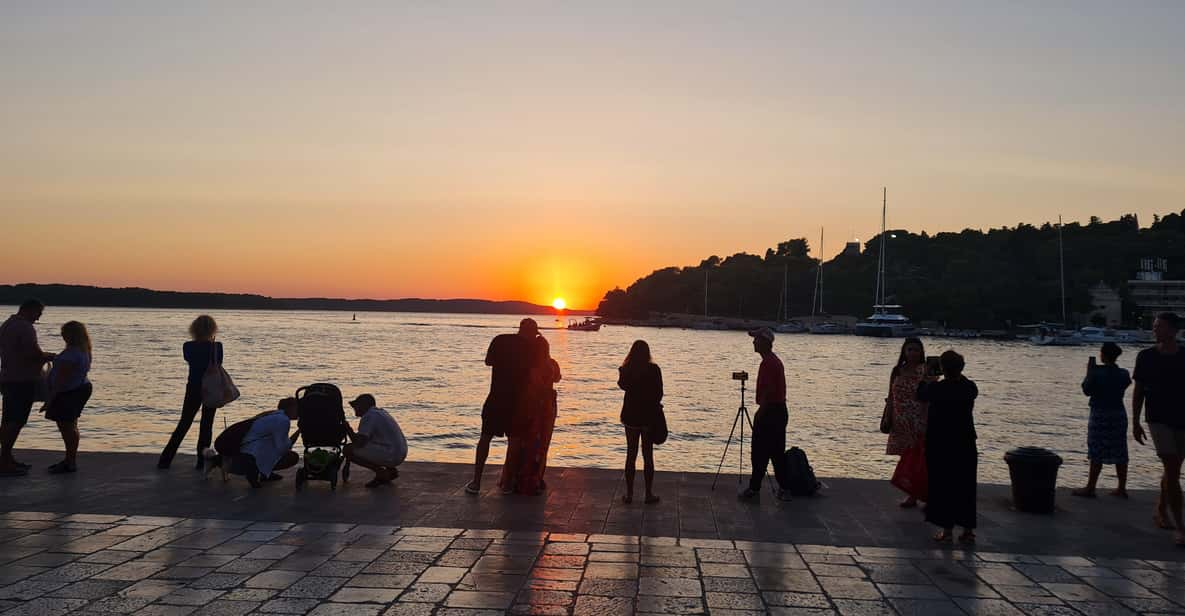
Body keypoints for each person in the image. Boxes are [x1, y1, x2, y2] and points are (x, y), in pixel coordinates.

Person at [467, 318, 537, 494]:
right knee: (513, 441)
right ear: (532, 333)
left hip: (496, 397)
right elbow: (535, 373)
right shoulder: (531, 348)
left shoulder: (500, 339)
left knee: (485, 438)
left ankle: (476, 482)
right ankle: (507, 484)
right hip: (517, 401)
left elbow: (488, 362)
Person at [1132, 312, 1185, 546]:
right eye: (1154, 326)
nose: (1155, 330)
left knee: (1173, 468)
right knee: (1172, 466)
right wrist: (1134, 420)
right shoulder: (1145, 357)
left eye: (1160, 326)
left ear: (1174, 330)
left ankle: (1161, 510)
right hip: (1157, 418)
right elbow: (1138, 390)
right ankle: (1181, 527)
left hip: (1183, 418)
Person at [918, 350, 978, 544]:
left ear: (943, 368)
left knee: (943, 486)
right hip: (965, 442)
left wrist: (927, 376)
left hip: (940, 442)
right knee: (966, 486)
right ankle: (968, 530)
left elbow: (920, 394)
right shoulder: (969, 387)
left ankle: (947, 530)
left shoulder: (936, 389)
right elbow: (967, 385)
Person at [158, 315, 223, 470]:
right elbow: (218, 363)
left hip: (193, 387)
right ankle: (202, 462)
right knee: (206, 425)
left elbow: (190, 360)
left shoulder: (188, 346)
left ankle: (165, 460)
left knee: (184, 423)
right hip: (210, 388)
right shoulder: (217, 347)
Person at [500, 336, 561, 495]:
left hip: (530, 404)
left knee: (524, 442)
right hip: (547, 406)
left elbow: (531, 383)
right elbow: (558, 378)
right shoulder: (552, 363)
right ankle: (536, 479)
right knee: (543, 444)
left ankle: (516, 478)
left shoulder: (530, 365)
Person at [0, 299, 54, 476]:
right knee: (16, 421)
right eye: (38, 314)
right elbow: (33, 353)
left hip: (8, 377)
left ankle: (6, 458)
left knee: (8, 419)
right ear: (29, 310)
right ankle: (4, 461)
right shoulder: (25, 328)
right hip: (22, 380)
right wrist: (49, 356)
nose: (38, 319)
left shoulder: (7, 325)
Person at [1073, 342, 1132, 499]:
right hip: (1119, 413)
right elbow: (1125, 383)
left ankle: (1091, 487)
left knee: (1096, 449)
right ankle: (1121, 488)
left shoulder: (1096, 373)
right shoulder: (1124, 374)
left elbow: (1087, 390)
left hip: (1100, 413)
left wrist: (1089, 372)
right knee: (1120, 449)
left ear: (1103, 355)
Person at [740, 327, 792, 501]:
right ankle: (783, 488)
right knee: (776, 452)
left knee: (760, 451)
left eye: (756, 339)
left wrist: (760, 412)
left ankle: (755, 490)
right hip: (777, 410)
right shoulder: (771, 361)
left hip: (772, 411)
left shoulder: (769, 363)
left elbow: (769, 392)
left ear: (764, 342)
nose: (753, 342)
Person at [212, 398, 300, 488]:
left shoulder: (274, 416)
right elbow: (282, 448)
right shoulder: (283, 420)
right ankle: (219, 461)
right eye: (298, 408)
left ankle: (264, 473)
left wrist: (298, 431)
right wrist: (300, 430)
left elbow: (274, 445)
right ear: (290, 408)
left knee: (271, 449)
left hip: (245, 451)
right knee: (292, 457)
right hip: (246, 456)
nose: (300, 411)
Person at [43, 321, 94, 474]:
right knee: (70, 425)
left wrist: (50, 399)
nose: (62, 335)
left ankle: (70, 461)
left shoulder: (72, 354)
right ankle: (70, 460)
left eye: (64, 333)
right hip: (79, 388)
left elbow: (61, 380)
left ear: (72, 335)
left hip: (70, 392)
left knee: (67, 426)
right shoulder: (82, 350)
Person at [618, 340, 663, 504]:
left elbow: (622, 385)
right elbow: (659, 393)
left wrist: (623, 371)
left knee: (631, 454)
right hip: (648, 417)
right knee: (648, 455)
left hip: (630, 416)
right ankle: (648, 494)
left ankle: (629, 494)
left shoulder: (627, 369)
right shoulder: (654, 369)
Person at [886, 337, 928, 508]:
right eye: (909, 349)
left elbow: (931, 395)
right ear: (904, 351)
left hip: (919, 418)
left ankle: (924, 494)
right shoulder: (897, 370)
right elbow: (891, 395)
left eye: (916, 350)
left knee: (921, 459)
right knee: (907, 458)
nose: (912, 353)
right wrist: (889, 415)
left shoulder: (925, 370)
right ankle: (912, 495)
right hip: (900, 418)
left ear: (921, 352)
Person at [345, 394, 409, 488]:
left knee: (348, 449)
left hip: (391, 454)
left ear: (363, 405)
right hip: (401, 453)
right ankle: (391, 471)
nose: (354, 408)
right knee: (373, 444)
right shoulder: (381, 413)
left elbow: (359, 443)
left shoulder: (369, 416)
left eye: (356, 406)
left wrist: (348, 429)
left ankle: (380, 472)